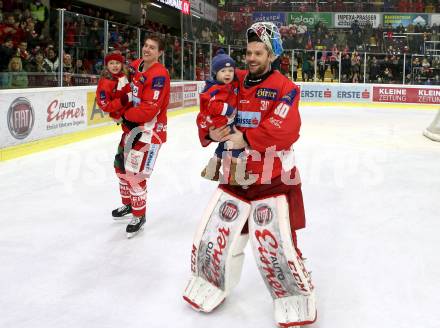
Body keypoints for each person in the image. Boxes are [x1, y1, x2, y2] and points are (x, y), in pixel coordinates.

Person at [183, 22, 317, 327]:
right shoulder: (234, 79)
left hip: (273, 177)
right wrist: (210, 130)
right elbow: (210, 103)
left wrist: (246, 138)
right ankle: (213, 281)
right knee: (217, 237)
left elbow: (287, 129)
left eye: (258, 52)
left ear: (271, 55)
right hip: (235, 172)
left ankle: (295, 293)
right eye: (248, 52)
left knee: (277, 244)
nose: (251, 57)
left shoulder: (286, 88)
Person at [112, 35, 170, 238]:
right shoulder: (137, 65)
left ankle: (139, 215)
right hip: (131, 129)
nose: (147, 49)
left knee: (135, 174)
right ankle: (128, 205)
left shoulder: (160, 75)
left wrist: (125, 115)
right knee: (120, 166)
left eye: (152, 48)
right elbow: (120, 78)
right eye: (145, 45)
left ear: (160, 52)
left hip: (149, 134)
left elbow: (149, 109)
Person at [197, 49, 255, 185]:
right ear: (215, 73)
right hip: (222, 123)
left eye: (230, 71)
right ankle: (237, 176)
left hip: (223, 123)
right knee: (237, 146)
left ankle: (211, 171)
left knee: (223, 146)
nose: (227, 74)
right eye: (223, 71)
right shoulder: (216, 88)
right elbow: (212, 105)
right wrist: (228, 109)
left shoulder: (227, 84)